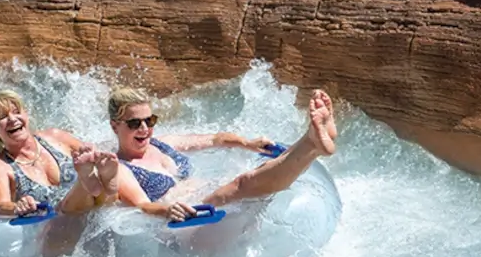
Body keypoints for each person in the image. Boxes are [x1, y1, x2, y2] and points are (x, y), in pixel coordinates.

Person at [107, 86, 338, 223]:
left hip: (205, 195)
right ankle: (310, 143)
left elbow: (214, 139)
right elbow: (142, 205)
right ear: (115, 126)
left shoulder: (163, 144)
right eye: (135, 123)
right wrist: (167, 210)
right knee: (243, 183)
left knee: (251, 178)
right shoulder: (119, 168)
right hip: (189, 218)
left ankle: (314, 146)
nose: (145, 129)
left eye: (150, 120)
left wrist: (246, 143)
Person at [0, 89, 119, 217]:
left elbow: (92, 154)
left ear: (26, 114)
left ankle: (103, 179)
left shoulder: (55, 137)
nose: (12, 119)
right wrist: (17, 206)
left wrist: (92, 153)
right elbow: (0, 206)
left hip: (98, 209)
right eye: (3, 117)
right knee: (65, 209)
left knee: (103, 185)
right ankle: (86, 180)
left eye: (16, 112)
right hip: (58, 223)